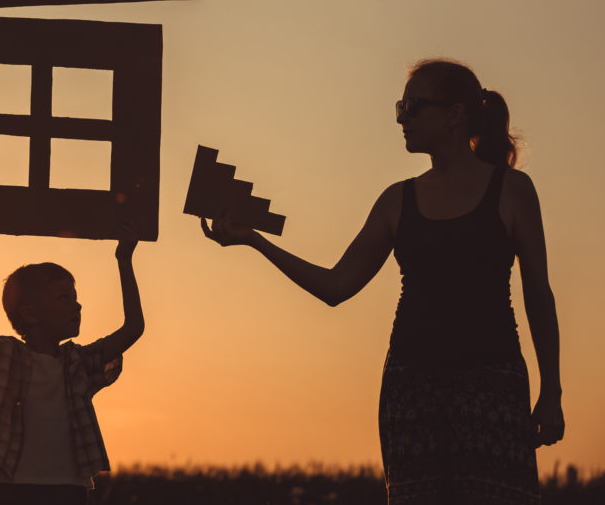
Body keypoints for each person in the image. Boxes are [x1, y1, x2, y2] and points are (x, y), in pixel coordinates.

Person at [201, 59, 564, 504]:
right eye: (400, 107)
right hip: (410, 391)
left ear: (455, 114)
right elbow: (337, 286)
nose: (401, 118)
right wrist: (254, 241)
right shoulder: (397, 200)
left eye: (413, 107)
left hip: (492, 387)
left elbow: (539, 295)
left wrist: (552, 391)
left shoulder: (512, 189)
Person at [0, 218, 144, 505]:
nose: (77, 305)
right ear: (30, 314)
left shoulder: (78, 362)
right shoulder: (5, 356)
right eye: (63, 297)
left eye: (75, 297)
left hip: (69, 490)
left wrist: (125, 259)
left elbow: (134, 327)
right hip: (12, 487)